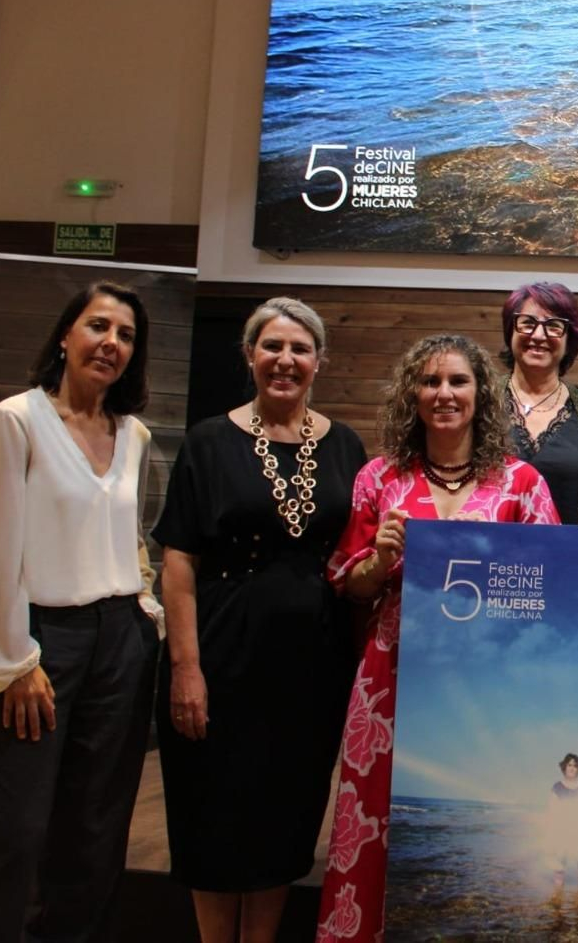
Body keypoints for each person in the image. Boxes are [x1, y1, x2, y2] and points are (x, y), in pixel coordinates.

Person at [315, 334, 558, 943]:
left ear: (482, 394)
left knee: (480, 819)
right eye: (430, 382)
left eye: (458, 382)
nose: (444, 394)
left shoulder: (521, 482)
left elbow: (552, 582)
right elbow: (353, 585)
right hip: (391, 678)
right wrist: (379, 559)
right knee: (375, 817)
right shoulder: (380, 478)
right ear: (412, 395)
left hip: (489, 689)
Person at [0, 281, 163, 943]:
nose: (111, 343)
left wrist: (145, 610)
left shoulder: (134, 434)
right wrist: (14, 660)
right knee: (13, 835)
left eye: (125, 335)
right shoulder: (17, 420)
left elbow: (130, 538)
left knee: (93, 838)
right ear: (65, 335)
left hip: (120, 642)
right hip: (40, 644)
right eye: (98, 326)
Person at [156, 298, 367, 943]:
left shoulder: (345, 445)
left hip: (310, 665)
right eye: (272, 346)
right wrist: (187, 669)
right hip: (219, 655)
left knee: (286, 812)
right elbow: (178, 561)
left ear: (319, 362)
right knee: (212, 811)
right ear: (250, 356)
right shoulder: (208, 441)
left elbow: (356, 557)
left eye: (300, 349)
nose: (286, 360)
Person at [499, 281, 578, 524]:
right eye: (527, 323)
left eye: (554, 326)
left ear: (569, 340)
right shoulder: (479, 403)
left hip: (571, 558)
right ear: (510, 331)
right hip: (490, 557)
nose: (539, 335)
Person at [547, 753, 578, 891]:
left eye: (575, 765)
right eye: (569, 765)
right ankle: (557, 903)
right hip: (561, 832)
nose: (572, 768)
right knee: (559, 870)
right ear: (564, 767)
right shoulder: (556, 787)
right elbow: (551, 811)